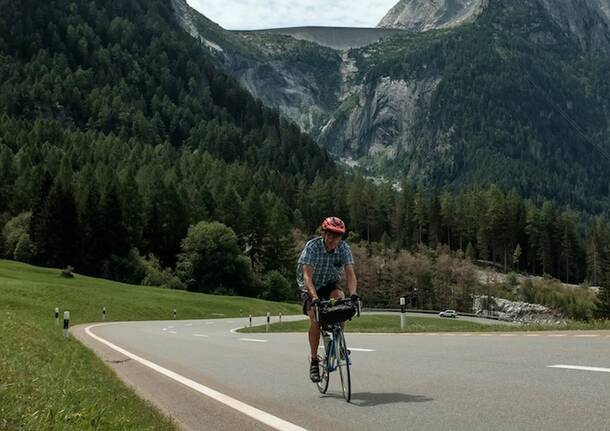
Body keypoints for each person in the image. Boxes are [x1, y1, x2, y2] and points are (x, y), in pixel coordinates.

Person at [296, 216, 358, 383]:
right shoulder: (313, 247)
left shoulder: (344, 248)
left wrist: (354, 295)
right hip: (311, 285)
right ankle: (315, 360)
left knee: (341, 301)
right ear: (323, 233)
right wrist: (314, 298)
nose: (332, 239)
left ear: (341, 237)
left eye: (337, 236)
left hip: (330, 282)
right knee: (315, 318)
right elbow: (307, 276)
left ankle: (338, 343)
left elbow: (350, 274)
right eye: (329, 235)